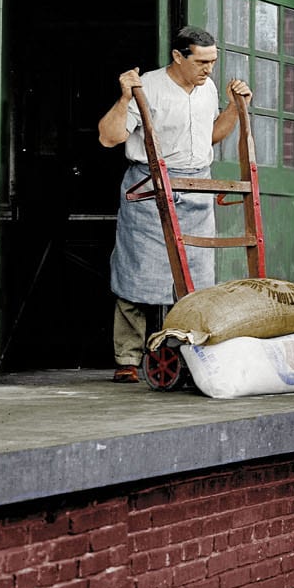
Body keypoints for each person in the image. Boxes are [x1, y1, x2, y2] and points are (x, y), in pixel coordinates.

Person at [97, 27, 251, 381]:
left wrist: (234, 107)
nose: (209, 69)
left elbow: (211, 137)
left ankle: (182, 355)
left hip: (195, 185)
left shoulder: (207, 89)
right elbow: (109, 136)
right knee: (137, 274)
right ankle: (128, 358)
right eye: (201, 61)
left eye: (213, 61)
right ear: (178, 56)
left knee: (191, 277)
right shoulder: (147, 86)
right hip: (150, 184)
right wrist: (125, 98)